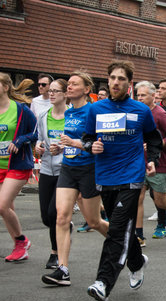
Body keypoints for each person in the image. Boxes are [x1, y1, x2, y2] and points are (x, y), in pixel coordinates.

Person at [83, 60, 163, 301]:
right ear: (107, 80)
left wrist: (152, 160)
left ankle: (103, 283)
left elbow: (154, 138)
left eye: (121, 78)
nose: (116, 82)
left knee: (116, 229)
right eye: (113, 78)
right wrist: (91, 146)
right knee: (122, 228)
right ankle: (137, 261)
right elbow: (87, 138)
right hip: (105, 177)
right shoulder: (96, 110)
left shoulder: (140, 110)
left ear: (129, 83)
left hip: (131, 176)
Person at [41, 71, 109, 286]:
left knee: (93, 221)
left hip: (89, 169)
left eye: (73, 84)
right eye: (68, 84)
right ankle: (63, 270)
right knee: (61, 217)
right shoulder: (69, 113)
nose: (68, 87)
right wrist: (58, 147)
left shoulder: (93, 112)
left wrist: (75, 143)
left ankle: (126, 244)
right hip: (68, 169)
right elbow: (69, 142)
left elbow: (99, 145)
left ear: (86, 90)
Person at [134, 80, 166, 247]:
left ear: (153, 96)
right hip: (138, 163)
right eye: (138, 95)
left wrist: (157, 144)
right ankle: (139, 236)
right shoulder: (136, 113)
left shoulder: (160, 114)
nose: (140, 98)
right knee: (138, 198)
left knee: (160, 201)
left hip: (159, 163)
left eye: (143, 95)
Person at [0, 73, 37, 262]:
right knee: (7, 209)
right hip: (0, 167)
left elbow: (35, 132)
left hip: (17, 164)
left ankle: (21, 241)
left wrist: (20, 139)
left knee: (2, 205)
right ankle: (20, 246)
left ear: (5, 87)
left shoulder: (21, 110)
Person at [35, 79, 68, 269]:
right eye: (50, 91)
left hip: (66, 169)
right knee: (45, 217)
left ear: (65, 94)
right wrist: (38, 146)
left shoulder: (71, 116)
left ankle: (55, 253)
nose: (51, 94)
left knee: (54, 213)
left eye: (56, 91)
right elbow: (39, 138)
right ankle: (64, 229)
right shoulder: (43, 115)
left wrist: (62, 148)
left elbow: (78, 139)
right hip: (47, 168)